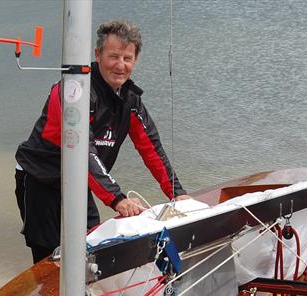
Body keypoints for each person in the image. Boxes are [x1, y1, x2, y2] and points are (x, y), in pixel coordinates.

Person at [14, 20, 189, 264]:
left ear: (135, 61)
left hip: (79, 182)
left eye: (127, 58)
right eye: (113, 56)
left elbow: (151, 149)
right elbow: (81, 151)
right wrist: (117, 199)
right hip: (40, 180)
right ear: (97, 55)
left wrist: (176, 192)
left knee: (91, 250)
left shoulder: (130, 100)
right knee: (49, 260)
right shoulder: (74, 92)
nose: (120, 65)